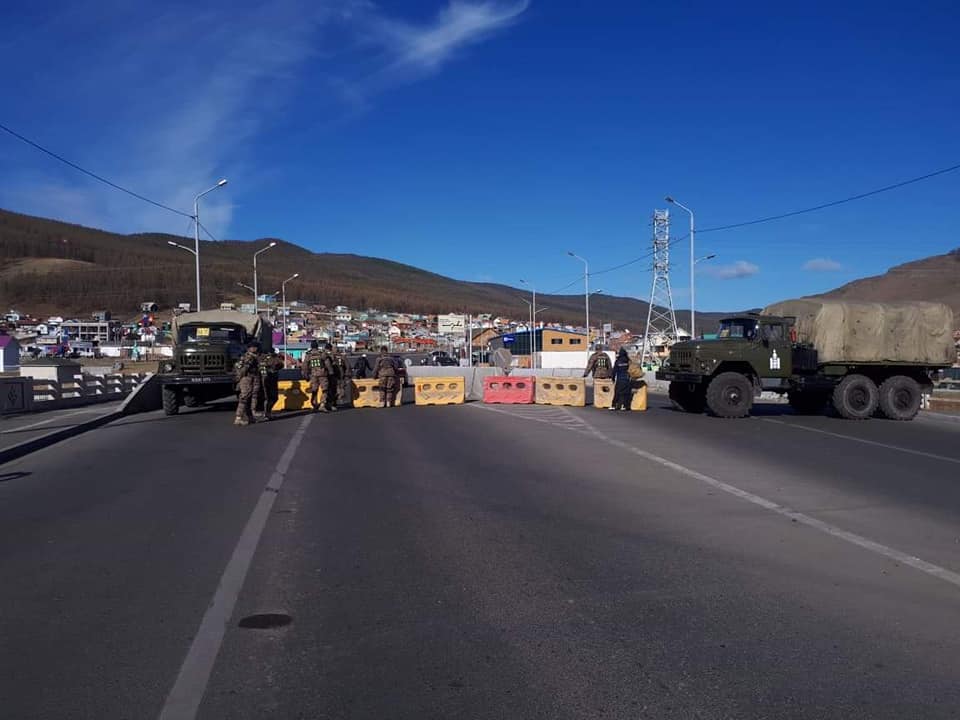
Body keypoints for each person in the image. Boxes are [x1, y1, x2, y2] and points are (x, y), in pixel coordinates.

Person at [302, 340, 335, 412]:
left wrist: (305, 375)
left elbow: (305, 366)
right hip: (323, 374)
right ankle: (322, 404)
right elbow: (328, 364)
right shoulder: (322, 354)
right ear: (317, 346)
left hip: (313, 375)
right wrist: (331, 373)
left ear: (311, 347)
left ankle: (314, 404)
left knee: (314, 390)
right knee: (325, 389)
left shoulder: (308, 355)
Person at [234, 341, 262, 426]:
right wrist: (239, 378)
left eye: (256, 347)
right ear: (250, 348)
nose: (256, 349)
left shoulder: (254, 356)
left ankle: (250, 417)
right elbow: (242, 368)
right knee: (244, 397)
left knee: (250, 397)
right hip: (247, 378)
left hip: (252, 377)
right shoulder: (248, 357)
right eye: (254, 347)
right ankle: (238, 418)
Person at [258, 348, 284, 420]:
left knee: (272, 397)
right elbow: (280, 364)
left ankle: (267, 413)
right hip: (268, 380)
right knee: (270, 397)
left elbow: (280, 365)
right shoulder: (266, 358)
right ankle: (267, 413)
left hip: (268, 379)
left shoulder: (272, 357)